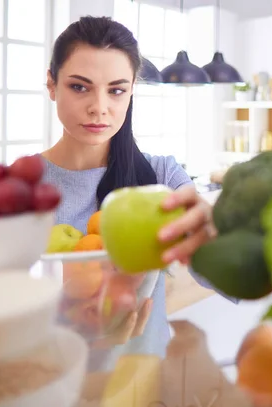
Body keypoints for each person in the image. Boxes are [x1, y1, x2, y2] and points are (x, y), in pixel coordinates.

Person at [41, 16, 223, 371]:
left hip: (142, 380)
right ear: (52, 84)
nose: (100, 107)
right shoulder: (23, 187)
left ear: (132, 91)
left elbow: (219, 273)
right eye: (80, 87)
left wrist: (216, 231)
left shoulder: (160, 177)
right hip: (52, 381)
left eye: (116, 89)